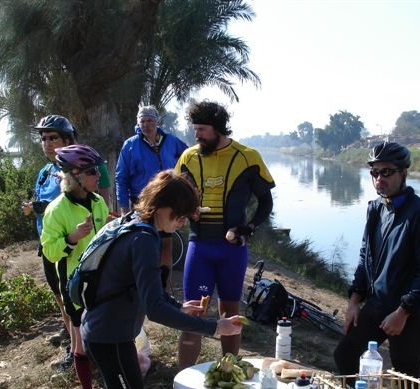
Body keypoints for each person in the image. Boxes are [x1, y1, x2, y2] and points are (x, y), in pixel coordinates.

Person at [80, 170, 243, 389]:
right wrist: (214, 328)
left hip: (104, 330)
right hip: (111, 339)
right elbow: (154, 309)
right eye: (179, 216)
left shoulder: (131, 222)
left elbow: (148, 292)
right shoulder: (144, 240)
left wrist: (179, 306)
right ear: (161, 206)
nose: (181, 223)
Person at [175, 101, 275, 370]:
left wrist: (249, 227)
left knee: (230, 313)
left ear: (218, 128)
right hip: (199, 246)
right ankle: (181, 380)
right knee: (193, 313)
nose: (196, 135)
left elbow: (266, 202)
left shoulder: (247, 156)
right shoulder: (188, 157)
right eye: (195, 129)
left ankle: (228, 373)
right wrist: (188, 210)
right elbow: (176, 197)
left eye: (202, 129)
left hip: (232, 250)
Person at [333, 142, 420, 380]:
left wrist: (402, 313)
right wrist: (354, 302)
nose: (379, 179)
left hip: (409, 312)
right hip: (378, 303)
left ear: (404, 173)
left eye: (387, 172)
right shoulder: (375, 208)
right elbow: (365, 256)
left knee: (406, 379)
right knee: (345, 355)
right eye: (374, 172)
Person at [22, 115, 112, 368]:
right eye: (43, 138)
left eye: (53, 138)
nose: (47, 143)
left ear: (68, 139)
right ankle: (75, 348)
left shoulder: (89, 168)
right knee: (65, 299)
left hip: (83, 251)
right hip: (56, 245)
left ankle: (84, 347)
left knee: (86, 304)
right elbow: (51, 211)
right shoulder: (45, 173)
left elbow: (100, 203)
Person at [40, 144, 110, 389]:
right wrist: (71, 238)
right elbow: (50, 252)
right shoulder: (56, 210)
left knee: (108, 335)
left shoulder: (98, 202)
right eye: (92, 171)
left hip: (102, 282)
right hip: (75, 285)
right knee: (79, 342)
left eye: (98, 170)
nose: (98, 176)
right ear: (75, 176)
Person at [115, 105, 188, 271]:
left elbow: (189, 157)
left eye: (150, 120)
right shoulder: (130, 145)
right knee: (144, 244)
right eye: (142, 121)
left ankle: (165, 282)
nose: (146, 125)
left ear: (157, 121)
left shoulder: (171, 141)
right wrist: (124, 209)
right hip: (142, 204)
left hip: (168, 202)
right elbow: (121, 178)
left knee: (166, 244)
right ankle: (145, 281)